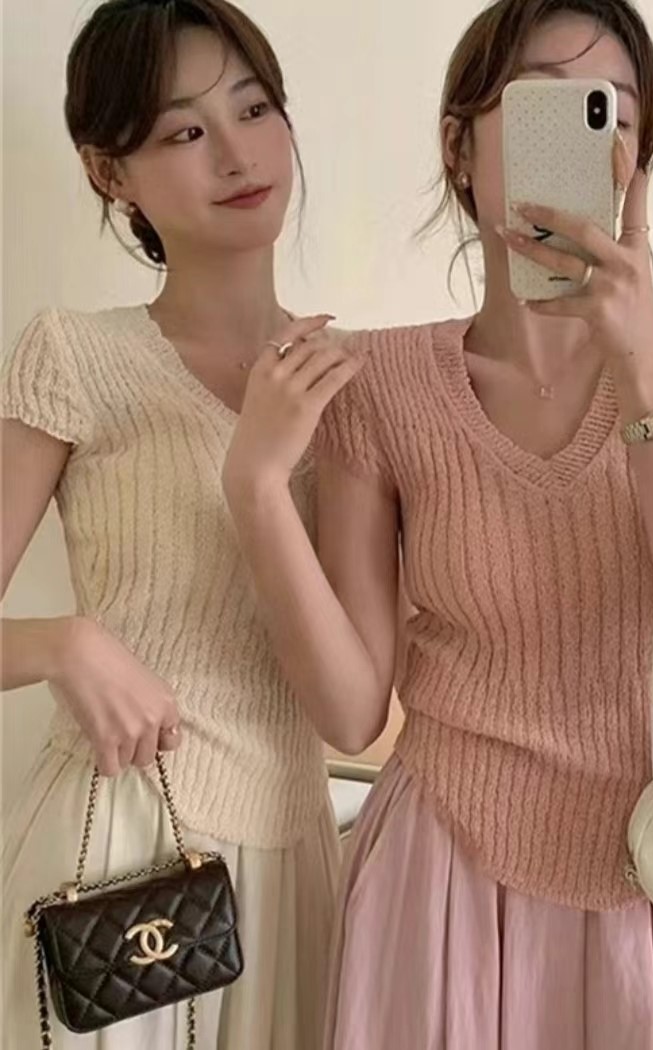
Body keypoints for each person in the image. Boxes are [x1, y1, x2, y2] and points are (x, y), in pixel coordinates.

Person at [221, 1, 653, 1047]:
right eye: (550, 103)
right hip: (443, 881)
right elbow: (351, 714)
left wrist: (640, 361)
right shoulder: (381, 386)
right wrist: (259, 492)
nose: (593, 134)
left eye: (616, 111)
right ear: (461, 147)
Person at [1, 2, 344, 1044]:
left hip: (299, 850)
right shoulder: (76, 356)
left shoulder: (349, 384)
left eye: (255, 108)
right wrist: (65, 644)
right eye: (185, 130)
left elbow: (366, 686)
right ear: (110, 172)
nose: (237, 153)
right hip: (120, 857)